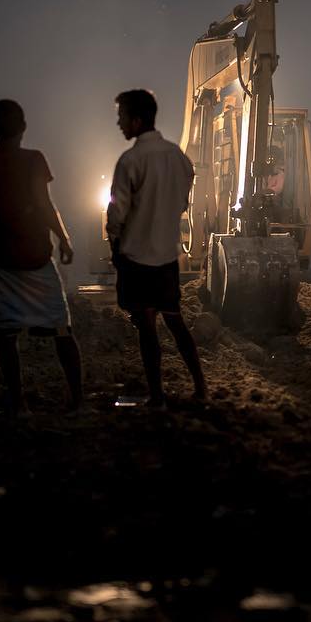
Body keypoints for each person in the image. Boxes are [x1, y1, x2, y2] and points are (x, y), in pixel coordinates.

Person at [0, 99, 83, 416]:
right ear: (23, 127)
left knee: (6, 336)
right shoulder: (34, 160)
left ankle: (18, 404)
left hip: (2, 262)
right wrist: (64, 238)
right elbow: (45, 204)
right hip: (35, 257)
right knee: (62, 330)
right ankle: (77, 402)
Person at [108, 89, 205, 407]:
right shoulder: (177, 157)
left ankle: (158, 395)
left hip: (136, 258)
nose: (119, 123)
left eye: (121, 116)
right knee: (176, 321)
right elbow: (185, 190)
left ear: (136, 120)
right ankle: (200, 387)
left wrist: (115, 246)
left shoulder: (130, 160)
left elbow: (117, 213)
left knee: (147, 328)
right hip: (166, 258)